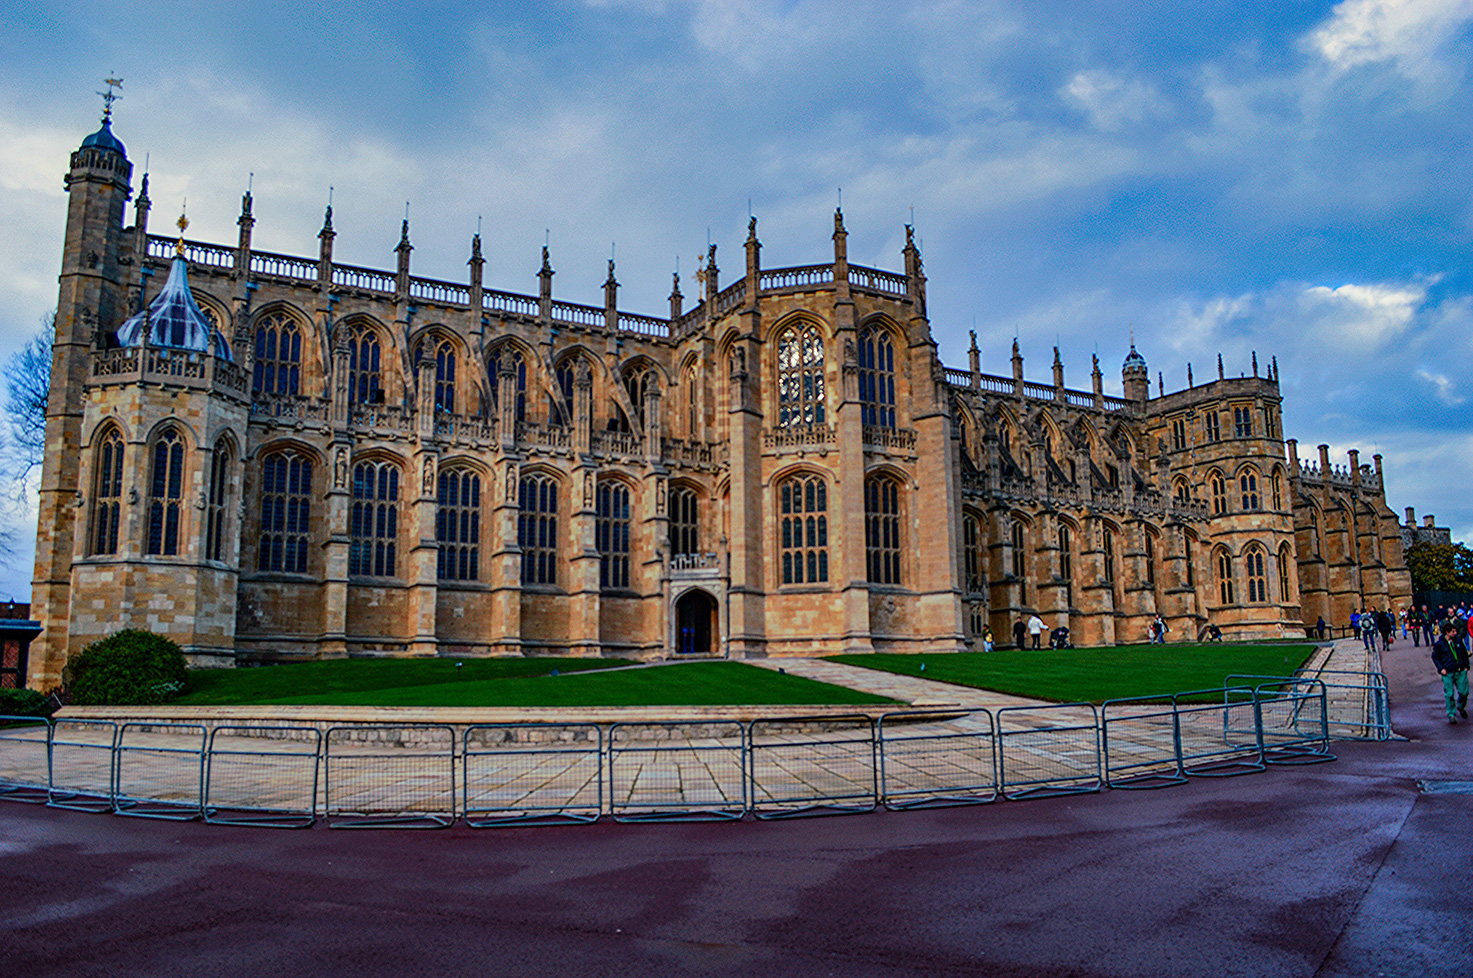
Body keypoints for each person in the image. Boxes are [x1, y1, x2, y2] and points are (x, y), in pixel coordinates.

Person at [1431, 622, 1469, 725]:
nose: (1455, 633)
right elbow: (1435, 657)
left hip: (1460, 670)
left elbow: (1464, 653)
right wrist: (1441, 668)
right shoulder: (1439, 644)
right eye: (1453, 631)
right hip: (1448, 672)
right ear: (1447, 632)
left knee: (1464, 692)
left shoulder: (1458, 641)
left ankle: (1460, 706)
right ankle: (1451, 714)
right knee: (1450, 694)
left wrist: (1466, 666)